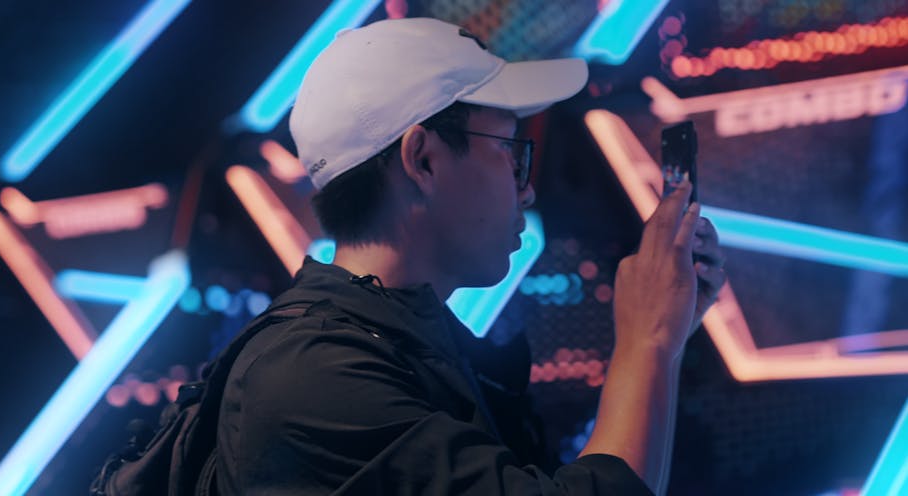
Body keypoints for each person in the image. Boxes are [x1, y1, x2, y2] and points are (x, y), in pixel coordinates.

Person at [216, 17, 726, 495]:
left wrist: (664, 342)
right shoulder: (317, 379)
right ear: (423, 160)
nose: (526, 189)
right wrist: (647, 342)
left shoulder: (387, 347)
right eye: (509, 150)